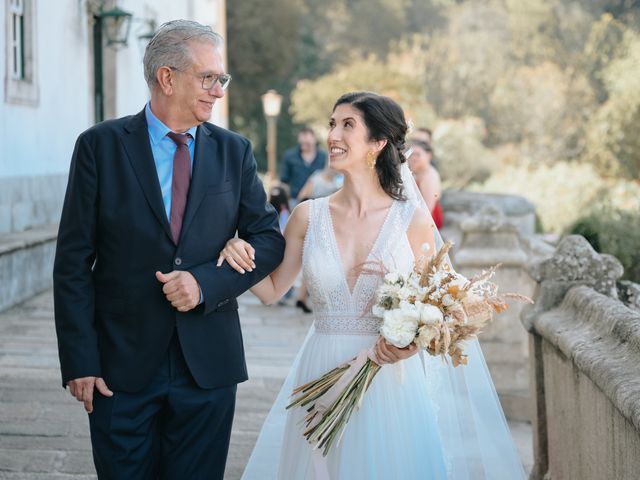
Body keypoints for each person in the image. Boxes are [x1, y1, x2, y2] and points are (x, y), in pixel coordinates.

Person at [218, 92, 525, 479]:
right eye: (332, 123)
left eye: (348, 125)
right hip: (321, 367)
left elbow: (443, 309)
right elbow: (271, 290)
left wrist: (409, 344)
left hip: (390, 381)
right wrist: (236, 252)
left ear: (378, 144)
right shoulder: (307, 216)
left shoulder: (410, 220)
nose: (333, 134)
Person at [53, 20, 285, 479]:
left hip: (209, 369)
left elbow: (269, 239)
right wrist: (80, 360)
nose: (218, 90)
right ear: (167, 77)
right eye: (208, 78)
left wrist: (205, 282)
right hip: (119, 370)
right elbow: (73, 263)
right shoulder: (99, 147)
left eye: (222, 79)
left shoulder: (233, 151)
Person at [280, 127, 327, 203]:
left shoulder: (324, 157)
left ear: (314, 140)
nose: (304, 145)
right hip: (294, 201)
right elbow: (284, 182)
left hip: (319, 200)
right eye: (302, 143)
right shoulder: (289, 156)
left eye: (307, 143)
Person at [408, 140, 444, 229]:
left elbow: (428, 209)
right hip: (417, 216)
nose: (413, 158)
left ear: (428, 156)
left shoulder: (430, 176)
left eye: (418, 154)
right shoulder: (417, 172)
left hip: (430, 219)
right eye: (412, 154)